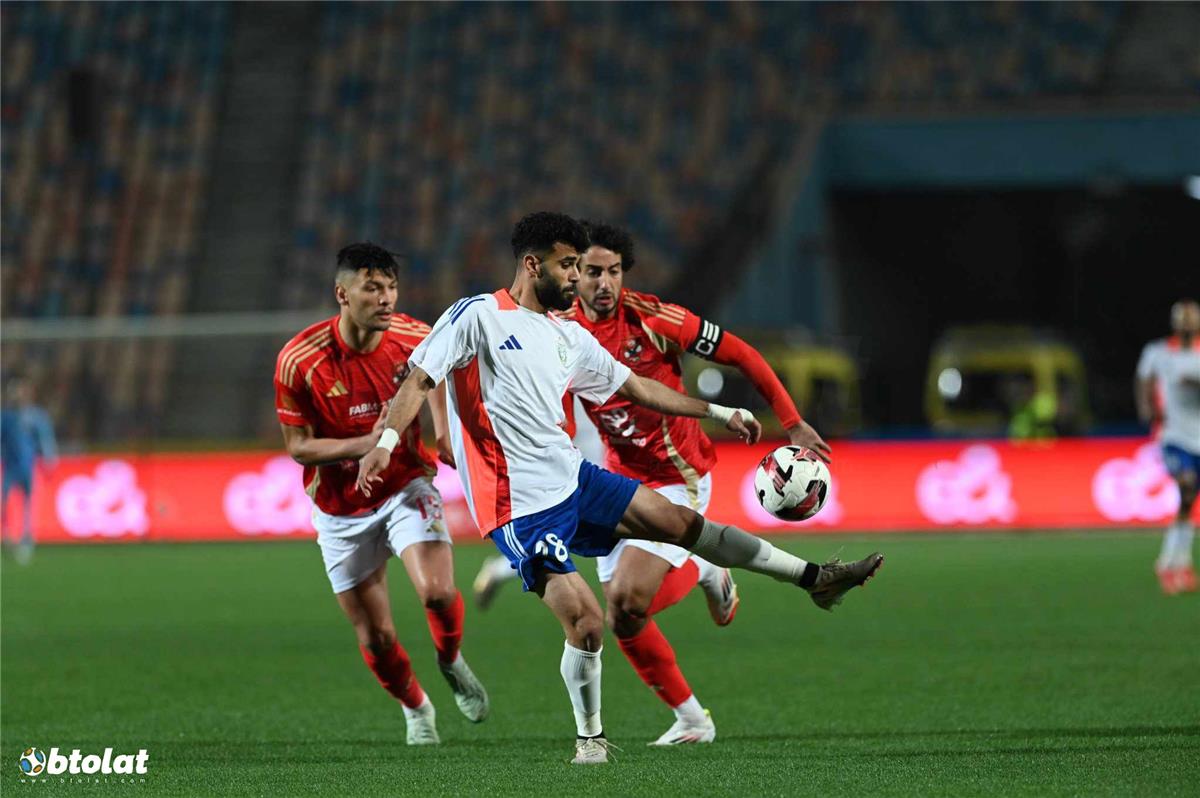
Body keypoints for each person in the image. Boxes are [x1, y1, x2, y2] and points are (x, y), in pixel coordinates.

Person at [357, 213, 882, 764]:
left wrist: (720, 411)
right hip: (516, 507)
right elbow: (420, 378)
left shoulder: (569, 335)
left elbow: (637, 387)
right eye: (568, 267)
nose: (578, 280)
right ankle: (590, 739)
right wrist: (388, 442)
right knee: (587, 620)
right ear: (532, 265)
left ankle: (815, 579)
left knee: (683, 526)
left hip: (576, 481)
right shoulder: (478, 316)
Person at [472, 220, 833, 746]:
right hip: (616, 476)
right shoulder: (558, 326)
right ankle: (692, 718)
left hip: (676, 476)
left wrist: (792, 419)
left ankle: (706, 563)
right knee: (622, 616)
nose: (602, 283)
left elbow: (742, 355)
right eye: (591, 270)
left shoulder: (656, 319)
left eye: (613, 271)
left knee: (631, 601)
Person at [274, 243, 488, 746]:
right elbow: (300, 448)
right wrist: (366, 442)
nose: (386, 297)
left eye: (391, 286)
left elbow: (435, 376)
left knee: (437, 591)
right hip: (339, 509)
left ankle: (451, 658)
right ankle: (416, 708)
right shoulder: (299, 361)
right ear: (342, 294)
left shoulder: (415, 336)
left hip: (405, 484)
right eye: (373, 287)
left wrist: (440, 431)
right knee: (378, 636)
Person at [1135, 299, 1200, 595]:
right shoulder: (1158, 352)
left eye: (1192, 319)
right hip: (1173, 435)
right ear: (1176, 323)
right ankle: (1169, 563)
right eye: (1183, 320)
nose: (1187, 324)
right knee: (1186, 487)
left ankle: (1179, 562)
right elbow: (1144, 380)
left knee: (1188, 503)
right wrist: (1147, 409)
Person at [1, 375, 58, 565]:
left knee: (29, 503)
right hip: (10, 466)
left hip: (28, 467)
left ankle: (27, 538)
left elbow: (45, 438)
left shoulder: (36, 416)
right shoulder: (5, 417)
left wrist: (49, 458)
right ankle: (6, 534)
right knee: (4, 500)